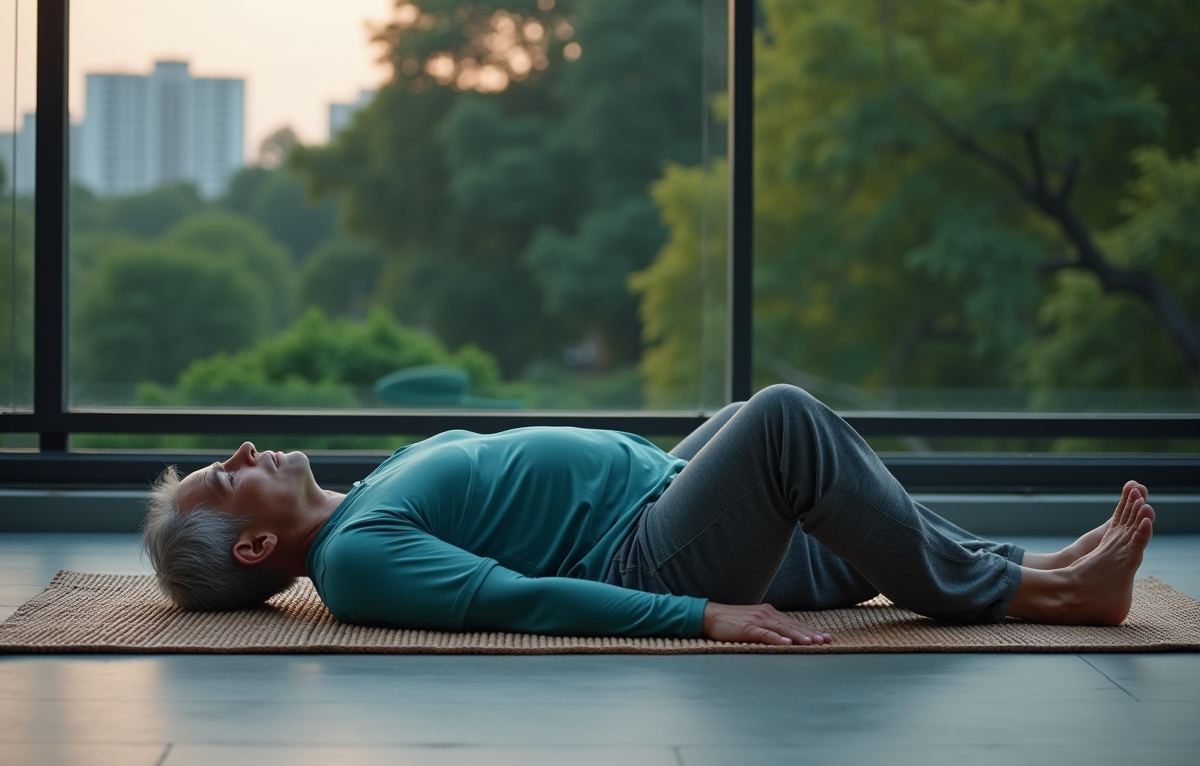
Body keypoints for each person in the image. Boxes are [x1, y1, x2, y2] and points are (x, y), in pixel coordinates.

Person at [142, 385, 1156, 646]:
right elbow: (514, 600)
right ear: (257, 545)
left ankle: (1020, 563)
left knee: (745, 425)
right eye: (228, 478)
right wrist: (700, 615)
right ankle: (1052, 594)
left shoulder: (368, 493)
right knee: (782, 423)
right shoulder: (358, 558)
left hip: (654, 500)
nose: (245, 452)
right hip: (642, 559)